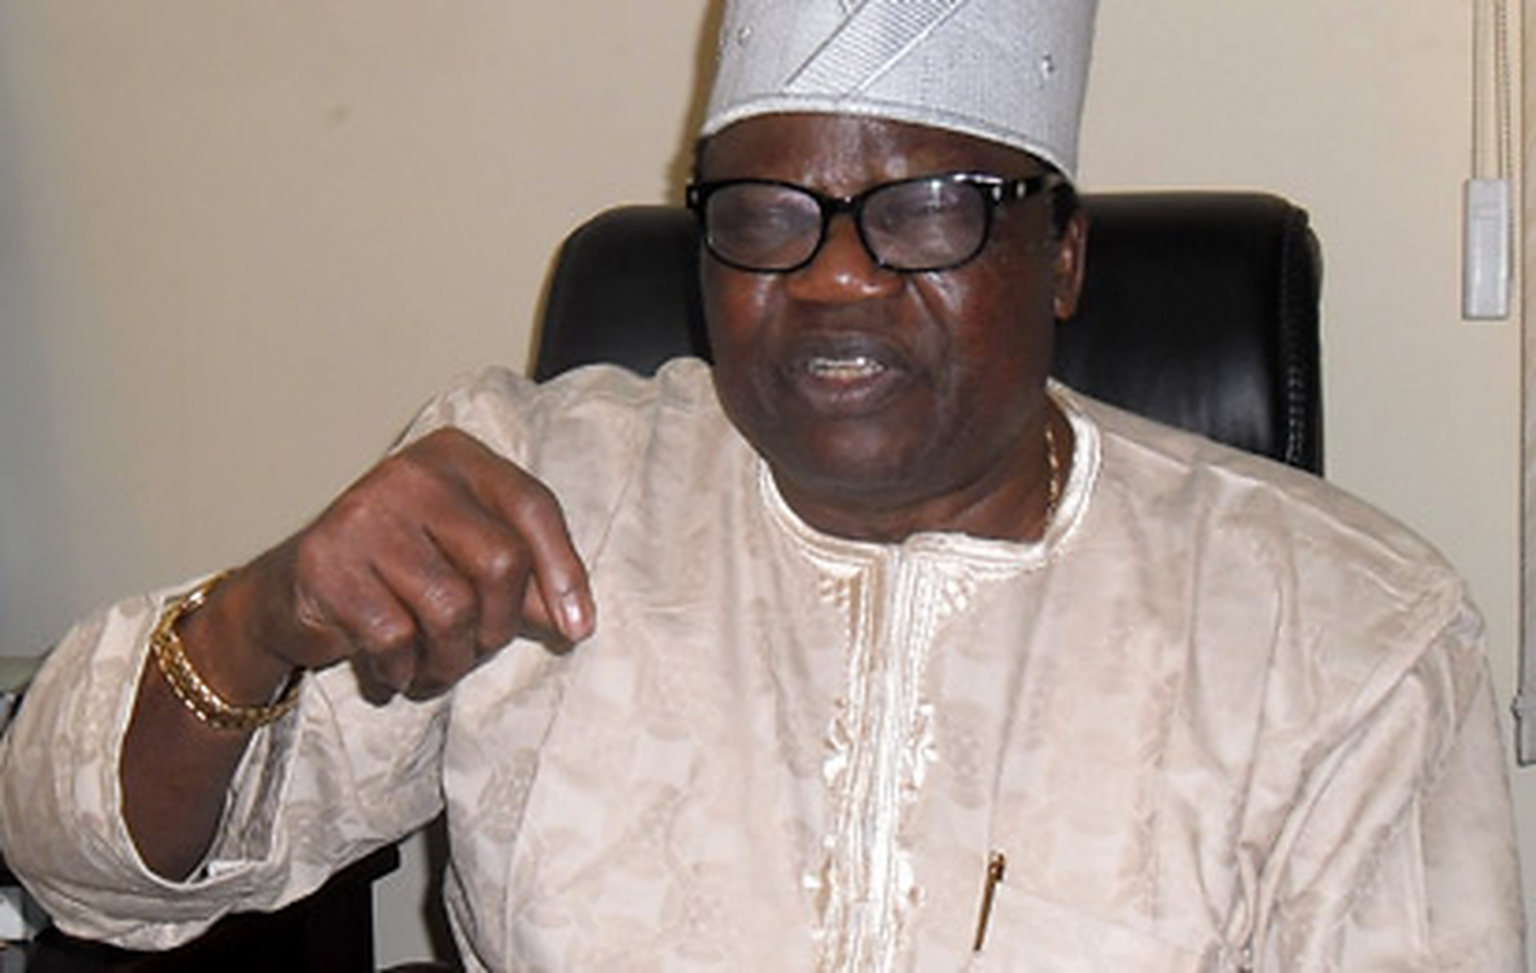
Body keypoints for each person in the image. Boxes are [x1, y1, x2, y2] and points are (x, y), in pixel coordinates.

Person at [0, 0, 1525, 969]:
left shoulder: (1339, 632)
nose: (834, 277)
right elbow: (92, 874)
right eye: (766, 210)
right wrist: (257, 622)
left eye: (926, 208)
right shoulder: (542, 497)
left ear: (1061, 255)